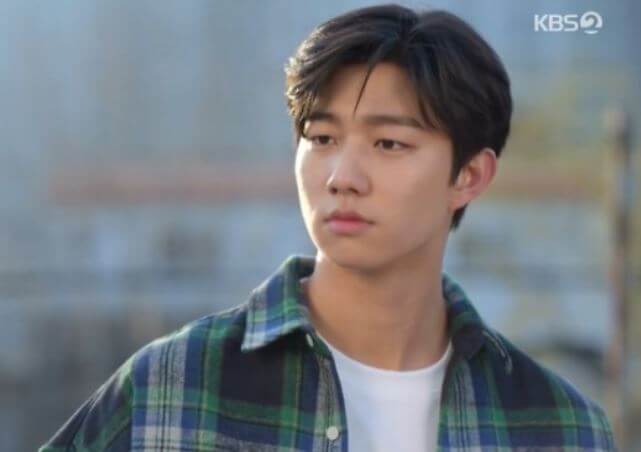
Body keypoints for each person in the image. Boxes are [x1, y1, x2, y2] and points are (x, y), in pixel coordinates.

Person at [40, 4, 616, 451]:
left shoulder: (560, 427)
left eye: (388, 143)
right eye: (321, 139)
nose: (342, 177)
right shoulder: (171, 389)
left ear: (469, 175)